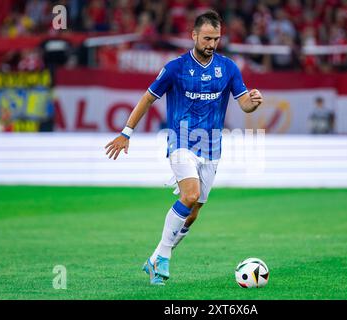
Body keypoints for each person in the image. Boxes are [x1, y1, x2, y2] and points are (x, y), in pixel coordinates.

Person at [104, 10, 263, 286]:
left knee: (194, 212)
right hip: (181, 141)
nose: (211, 44)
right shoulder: (176, 68)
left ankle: (154, 259)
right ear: (194, 35)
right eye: (206, 38)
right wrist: (126, 132)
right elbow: (148, 98)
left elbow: (244, 104)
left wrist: (254, 100)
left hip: (212, 147)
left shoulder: (228, 68)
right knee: (190, 194)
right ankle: (164, 257)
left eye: (216, 39)